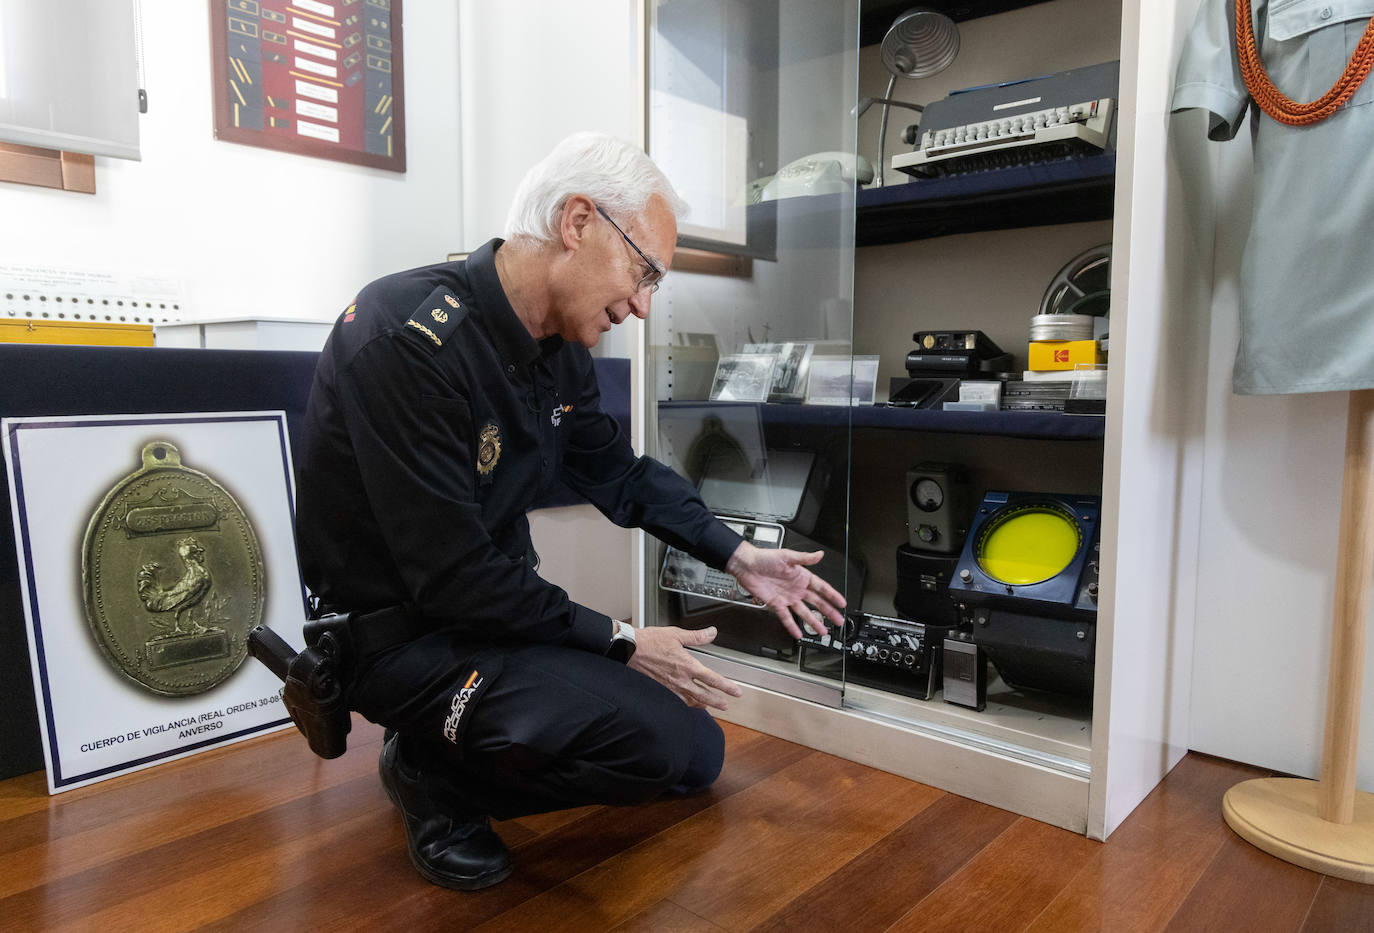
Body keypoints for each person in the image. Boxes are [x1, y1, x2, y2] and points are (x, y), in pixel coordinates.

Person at [295, 132, 847, 891]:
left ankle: (447, 746)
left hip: (494, 620)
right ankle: (434, 775)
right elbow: (453, 578)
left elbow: (617, 473)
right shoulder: (404, 340)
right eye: (643, 271)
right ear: (578, 222)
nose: (644, 305)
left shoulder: (555, 349)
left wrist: (736, 554)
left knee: (694, 754)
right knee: (646, 745)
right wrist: (624, 641)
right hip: (404, 642)